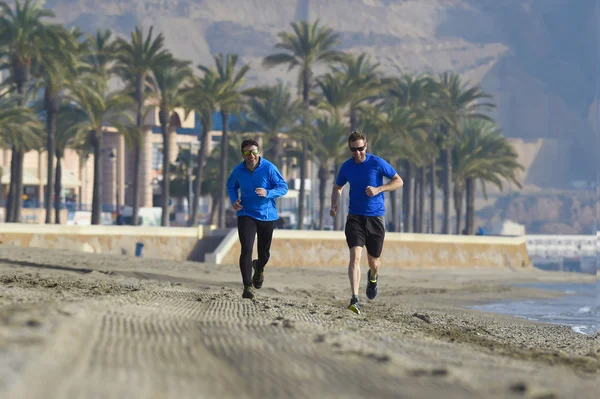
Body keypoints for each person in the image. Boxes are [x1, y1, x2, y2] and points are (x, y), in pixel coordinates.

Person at [330, 131, 403, 314]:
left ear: (366, 146)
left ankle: (373, 277)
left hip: (375, 218)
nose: (357, 153)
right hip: (355, 217)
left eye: (360, 149)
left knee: (374, 262)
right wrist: (334, 204)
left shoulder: (376, 163)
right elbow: (338, 186)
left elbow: (398, 181)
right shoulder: (346, 167)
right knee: (355, 256)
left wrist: (379, 189)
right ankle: (355, 299)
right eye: (353, 150)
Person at [226, 139, 288, 299]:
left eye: (254, 152)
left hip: (267, 215)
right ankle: (247, 287)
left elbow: (283, 187)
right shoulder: (238, 170)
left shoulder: (268, 168)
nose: (251, 155)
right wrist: (234, 200)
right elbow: (230, 185)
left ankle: (259, 268)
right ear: (242, 155)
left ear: (259, 152)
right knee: (246, 249)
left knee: (264, 254)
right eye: (247, 153)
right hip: (246, 213)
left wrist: (268, 193)